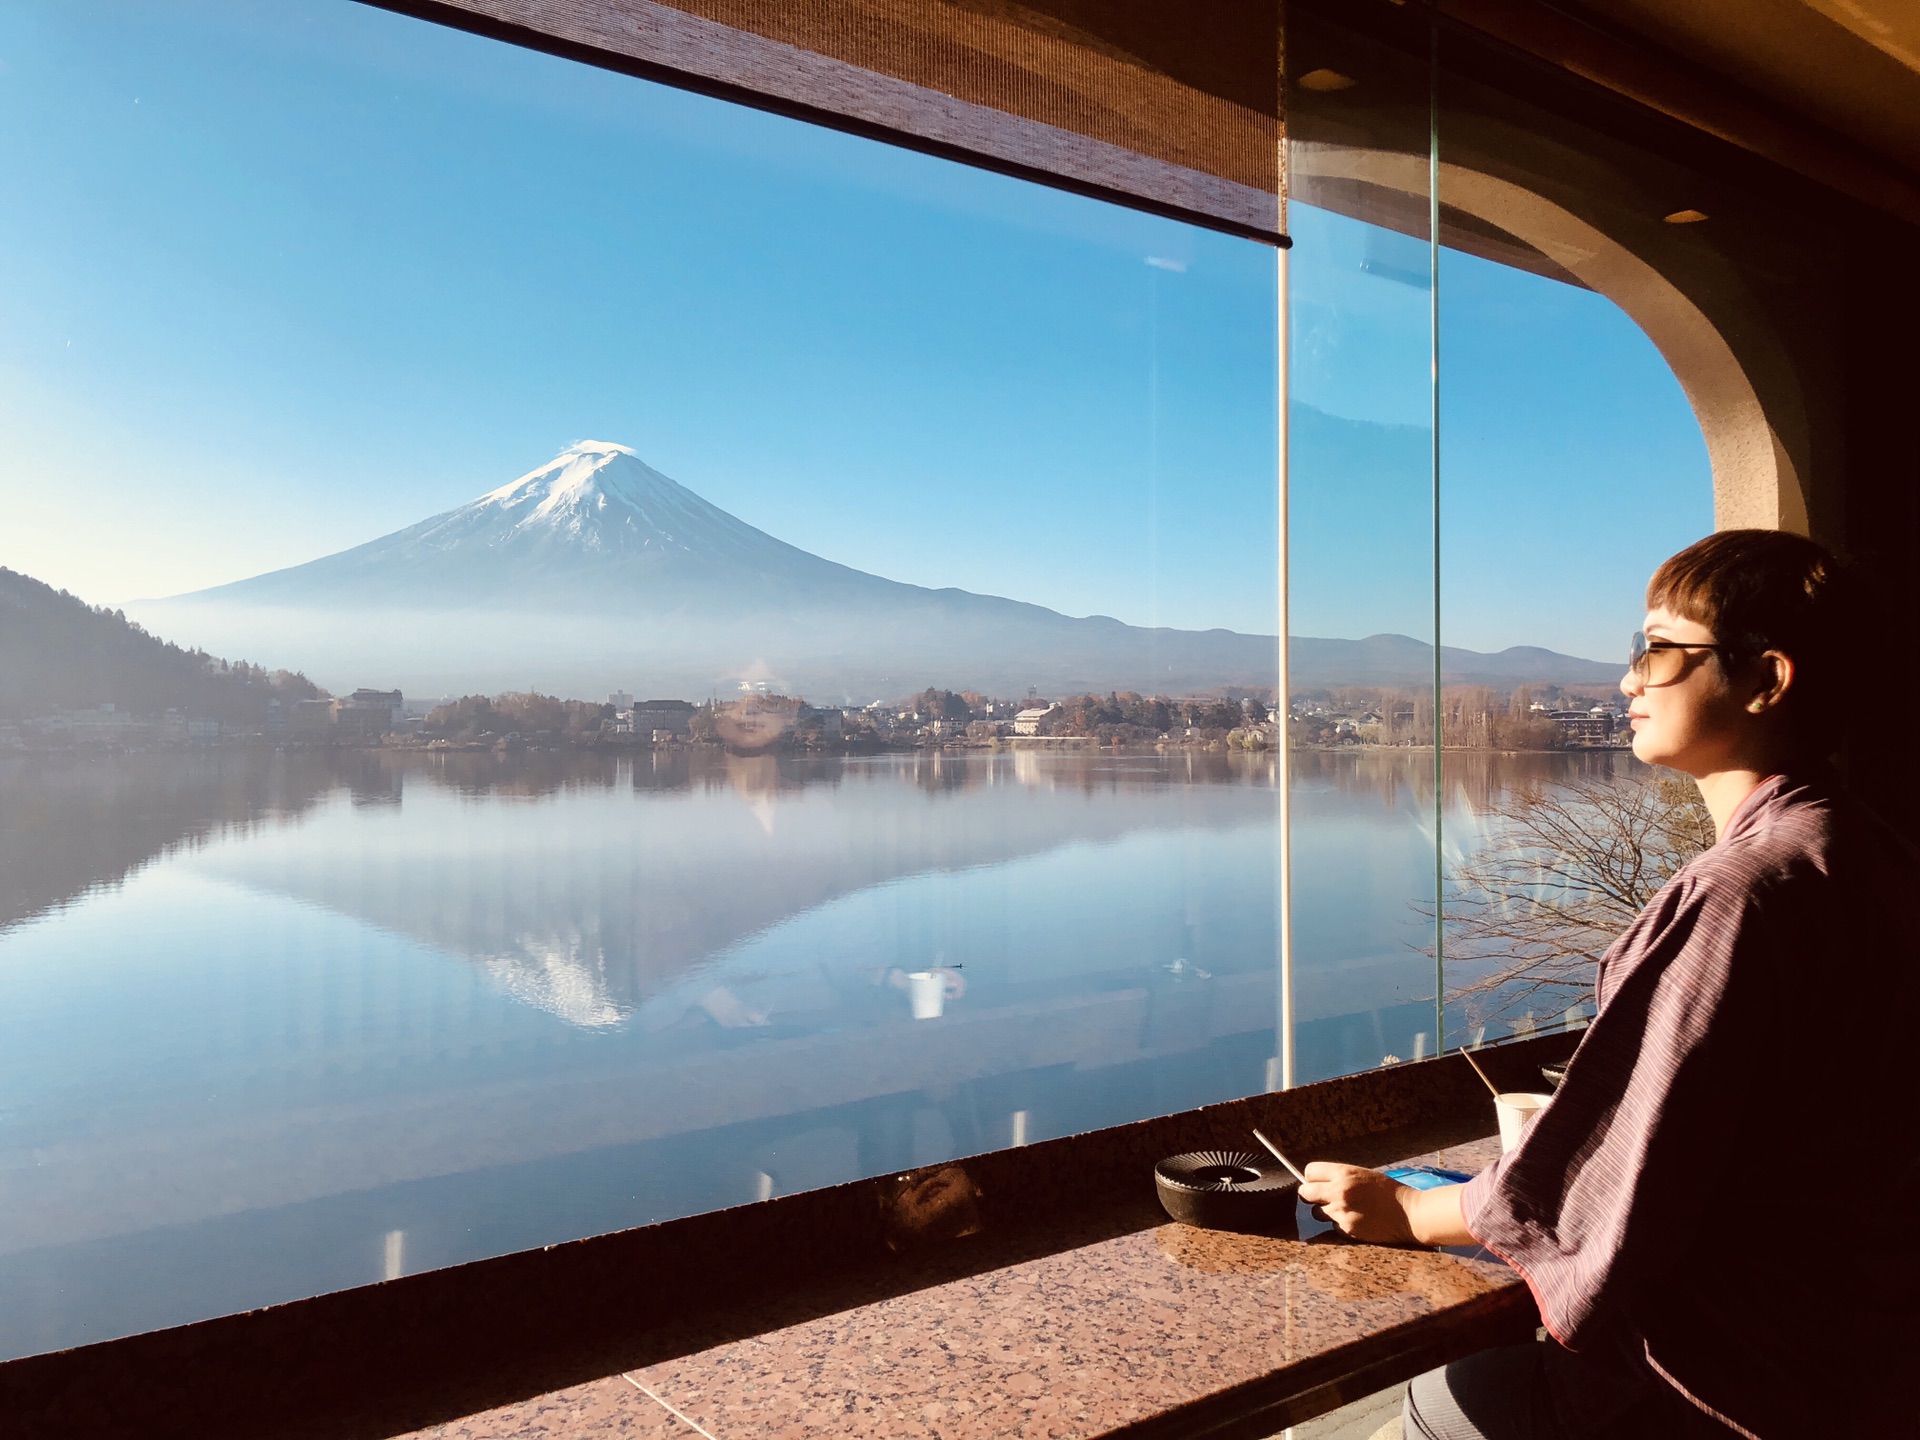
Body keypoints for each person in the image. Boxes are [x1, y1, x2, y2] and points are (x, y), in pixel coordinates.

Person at [1298, 531, 1919, 1440]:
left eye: (1658, 650)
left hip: (1733, 1389)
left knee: (1442, 1405)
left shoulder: (1741, 893)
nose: (1627, 680)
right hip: (1863, 1364)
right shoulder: (1870, 857)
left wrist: (1407, 1207)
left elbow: (1608, 1188)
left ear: (1767, 678)